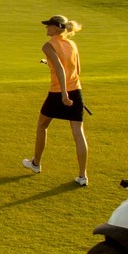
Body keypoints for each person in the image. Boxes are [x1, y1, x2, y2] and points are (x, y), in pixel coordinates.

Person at [23, 15, 88, 186]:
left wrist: (64, 94)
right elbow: (76, 69)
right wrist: (72, 92)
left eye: (48, 26)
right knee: (78, 132)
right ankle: (82, 176)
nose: (46, 29)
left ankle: (36, 163)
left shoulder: (48, 45)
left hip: (58, 92)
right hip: (76, 90)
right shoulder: (72, 44)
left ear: (56, 28)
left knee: (42, 124)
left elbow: (60, 67)